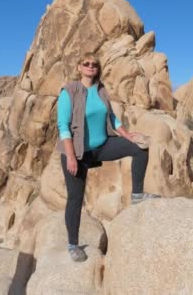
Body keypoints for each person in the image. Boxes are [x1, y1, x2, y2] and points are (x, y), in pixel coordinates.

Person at [56, 52, 161, 262]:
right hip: (76, 151)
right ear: (79, 67)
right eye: (85, 63)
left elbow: (112, 118)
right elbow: (63, 126)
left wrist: (128, 135)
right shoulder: (69, 91)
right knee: (75, 199)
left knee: (140, 148)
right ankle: (73, 244)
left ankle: (137, 195)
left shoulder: (101, 89)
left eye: (94, 64)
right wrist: (70, 156)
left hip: (102, 145)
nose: (90, 66)